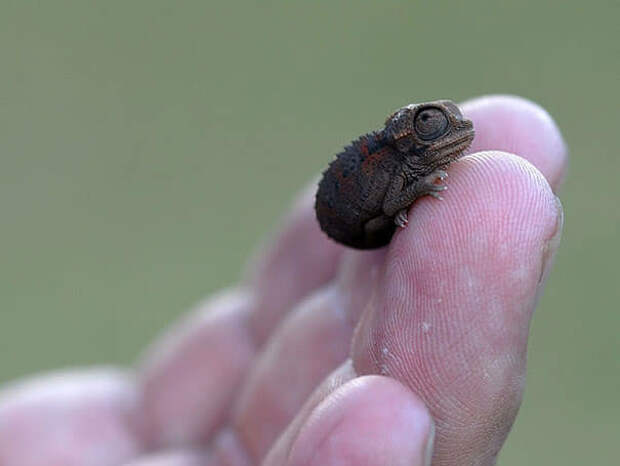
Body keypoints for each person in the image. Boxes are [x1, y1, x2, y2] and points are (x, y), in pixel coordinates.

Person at [0, 95, 567, 466]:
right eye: (431, 125)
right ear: (407, 137)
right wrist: (412, 196)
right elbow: (390, 197)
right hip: (348, 216)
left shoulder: (403, 159)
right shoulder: (396, 164)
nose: (453, 134)